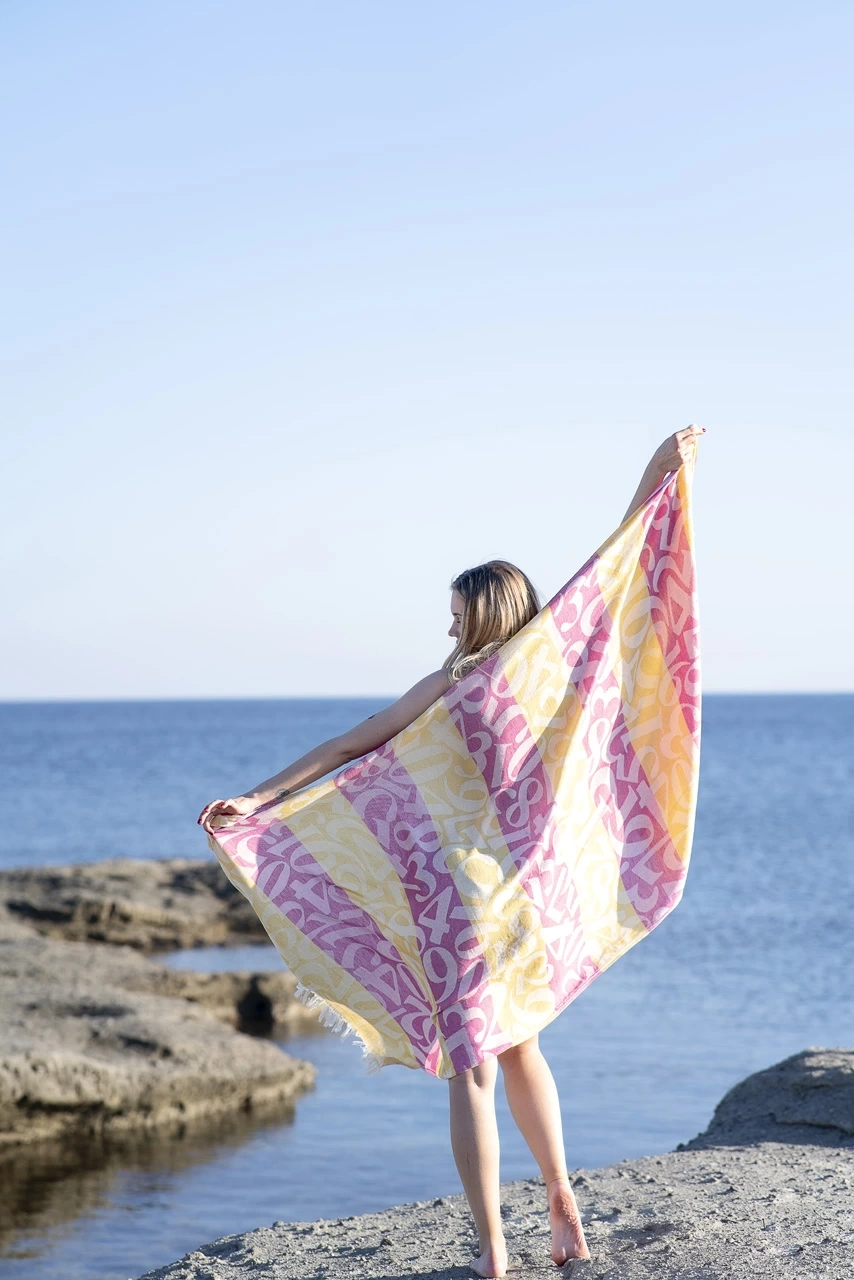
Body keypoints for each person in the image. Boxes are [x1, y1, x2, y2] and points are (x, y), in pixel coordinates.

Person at [198, 425, 705, 1278]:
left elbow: (356, 742)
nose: (449, 625)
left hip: (460, 902)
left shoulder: (455, 683)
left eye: (458, 613)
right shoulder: (549, 670)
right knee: (523, 1048)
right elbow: (608, 581)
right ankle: (563, 1203)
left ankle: (494, 1250)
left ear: (484, 614)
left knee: (471, 1071)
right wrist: (655, 477)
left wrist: (260, 799)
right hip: (530, 894)